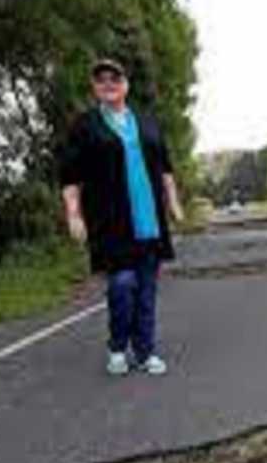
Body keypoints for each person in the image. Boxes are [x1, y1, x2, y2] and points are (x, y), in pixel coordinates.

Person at [59, 58, 185, 376]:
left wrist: (174, 202)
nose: (108, 84)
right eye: (101, 80)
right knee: (122, 284)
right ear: (94, 87)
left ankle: (144, 352)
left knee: (146, 289)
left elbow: (165, 167)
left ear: (125, 84)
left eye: (114, 78)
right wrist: (73, 215)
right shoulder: (85, 126)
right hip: (109, 224)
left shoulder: (147, 122)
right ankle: (118, 346)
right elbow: (69, 176)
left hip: (149, 220)